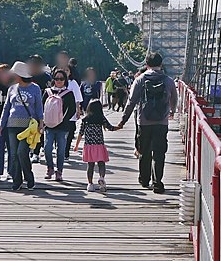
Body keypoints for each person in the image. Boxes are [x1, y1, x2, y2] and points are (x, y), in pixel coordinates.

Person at [119, 52, 178, 193]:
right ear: (161, 64)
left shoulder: (139, 79)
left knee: (144, 151)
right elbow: (174, 98)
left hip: (144, 122)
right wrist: (172, 111)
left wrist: (123, 120)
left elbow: (131, 101)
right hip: (161, 122)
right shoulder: (168, 80)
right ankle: (157, 182)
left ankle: (144, 179)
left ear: (146, 65)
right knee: (159, 152)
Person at [0, 61, 44, 191]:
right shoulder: (12, 88)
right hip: (12, 124)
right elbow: (7, 108)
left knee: (22, 152)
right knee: (13, 154)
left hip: (28, 125)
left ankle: (29, 178)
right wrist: (2, 124)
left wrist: (41, 123)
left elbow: (39, 107)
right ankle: (17, 181)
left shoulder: (35, 88)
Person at [42, 68, 76, 182]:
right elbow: (41, 107)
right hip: (49, 125)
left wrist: (63, 119)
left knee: (60, 150)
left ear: (65, 80)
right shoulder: (47, 92)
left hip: (62, 126)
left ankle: (59, 171)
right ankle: (50, 167)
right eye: (56, 79)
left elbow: (72, 109)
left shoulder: (69, 93)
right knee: (47, 148)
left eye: (61, 79)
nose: (59, 81)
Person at [74, 100, 115, 192]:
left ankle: (90, 184)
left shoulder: (85, 119)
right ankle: (101, 177)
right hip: (99, 144)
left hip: (89, 145)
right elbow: (110, 127)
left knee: (90, 165)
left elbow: (80, 133)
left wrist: (76, 145)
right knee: (101, 163)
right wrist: (119, 126)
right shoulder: (101, 118)